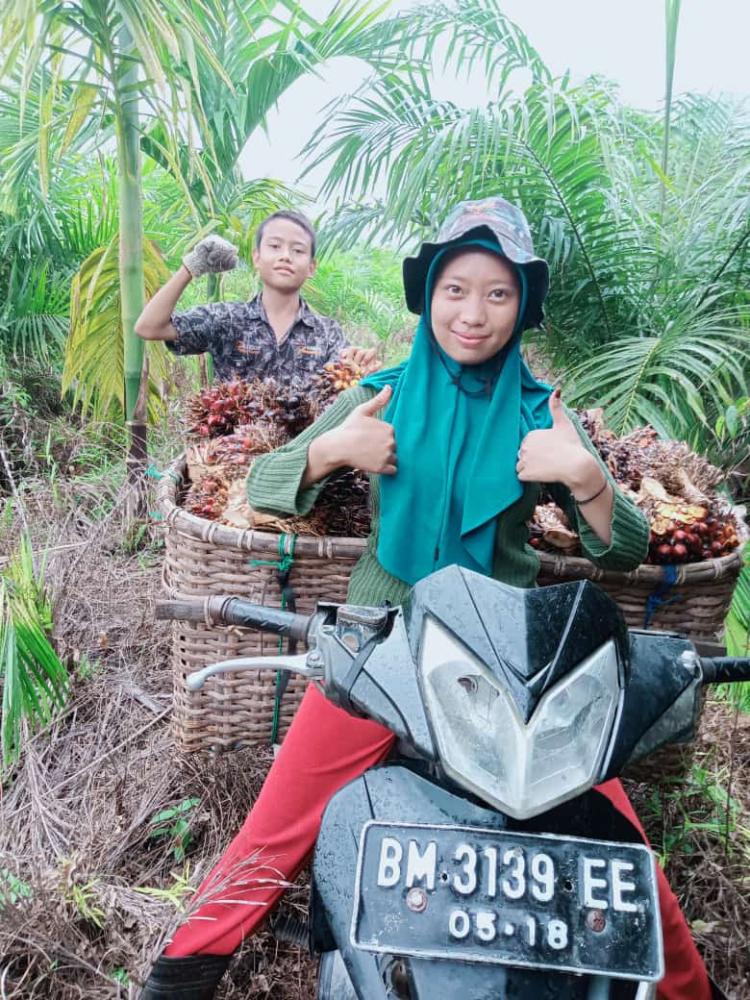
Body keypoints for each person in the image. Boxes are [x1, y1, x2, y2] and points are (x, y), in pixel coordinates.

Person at [141, 197, 711, 1000]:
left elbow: (625, 548)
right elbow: (267, 486)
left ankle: (691, 989)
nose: (473, 315)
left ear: (522, 308)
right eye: (455, 289)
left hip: (511, 663)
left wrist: (584, 480)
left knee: (622, 850)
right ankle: (180, 974)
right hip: (383, 649)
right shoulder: (380, 393)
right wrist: (332, 450)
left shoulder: (539, 412)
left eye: (498, 294)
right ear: (428, 294)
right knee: (275, 831)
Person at [134, 210, 379, 384]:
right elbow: (149, 327)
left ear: (311, 267)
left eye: (298, 250)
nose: (285, 256)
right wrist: (191, 267)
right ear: (256, 257)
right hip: (229, 454)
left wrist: (360, 366)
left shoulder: (327, 333)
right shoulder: (228, 319)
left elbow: (344, 380)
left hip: (303, 455)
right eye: (274, 246)